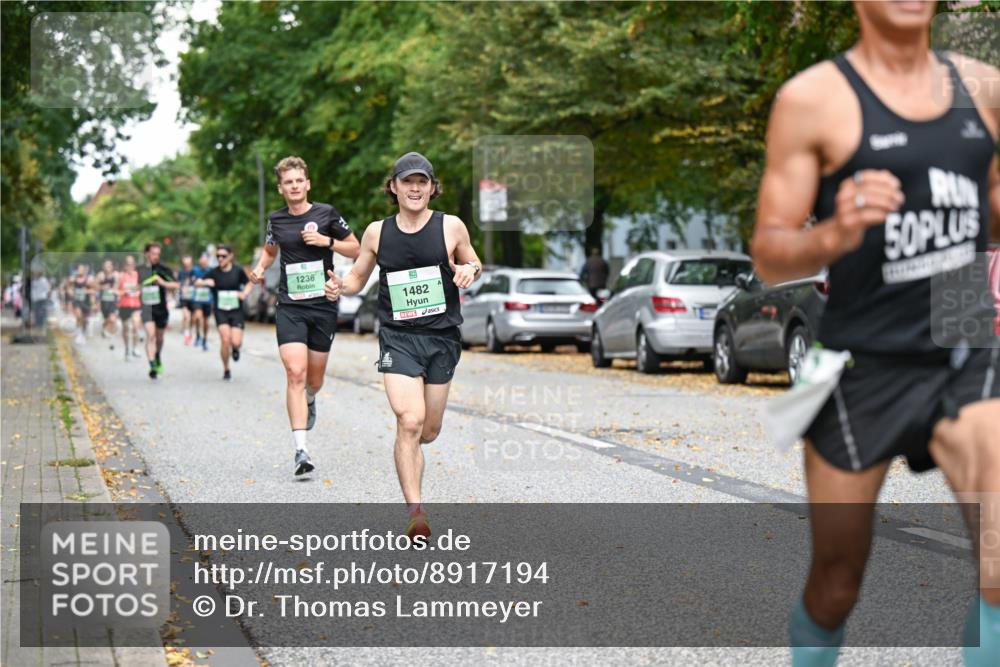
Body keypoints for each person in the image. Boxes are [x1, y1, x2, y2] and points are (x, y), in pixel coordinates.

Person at [750, 2, 999, 665]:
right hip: (863, 358)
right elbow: (770, 252)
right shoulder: (814, 99)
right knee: (837, 582)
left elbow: (994, 204)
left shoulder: (983, 88)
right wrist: (836, 231)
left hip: (962, 336)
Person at [324, 152, 481, 539]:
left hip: (442, 338)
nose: (414, 188)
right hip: (398, 337)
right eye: (407, 181)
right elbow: (358, 277)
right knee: (409, 421)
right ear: (393, 187)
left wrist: (468, 270)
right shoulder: (377, 232)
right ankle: (416, 513)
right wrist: (340, 286)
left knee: (428, 430)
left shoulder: (451, 226)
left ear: (432, 188)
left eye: (421, 182)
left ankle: (412, 453)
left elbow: (474, 263)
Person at [250, 156, 360, 476]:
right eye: (289, 182)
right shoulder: (276, 220)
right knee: (295, 373)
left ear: (307, 184)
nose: (295, 186)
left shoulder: (326, 214)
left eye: (299, 181)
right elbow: (270, 250)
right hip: (291, 306)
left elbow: (356, 248)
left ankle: (310, 398)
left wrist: (327, 241)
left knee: (313, 380)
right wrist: (260, 268)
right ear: (280, 188)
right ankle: (301, 450)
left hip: (323, 305)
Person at [196, 244, 252, 380]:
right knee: (225, 339)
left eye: (223, 256)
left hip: (236, 310)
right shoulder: (214, 272)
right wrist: (205, 282)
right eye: (218, 256)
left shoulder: (238, 270)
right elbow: (197, 282)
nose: (220, 258)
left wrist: (244, 293)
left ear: (230, 256)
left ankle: (236, 348)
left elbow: (249, 283)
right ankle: (226, 369)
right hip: (220, 310)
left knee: (236, 342)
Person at [138, 243, 179, 379]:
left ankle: (157, 355)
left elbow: (176, 284)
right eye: (153, 253)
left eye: (158, 254)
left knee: (159, 338)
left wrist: (163, 283)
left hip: (161, 309)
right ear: (146, 253)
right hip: (146, 309)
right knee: (150, 335)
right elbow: (132, 286)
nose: (156, 256)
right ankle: (152, 365)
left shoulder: (163, 269)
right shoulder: (139, 270)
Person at [117, 255, 142, 361]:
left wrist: (139, 290)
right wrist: (124, 292)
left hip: (136, 305)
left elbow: (142, 287)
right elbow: (115, 290)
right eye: (128, 264)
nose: (130, 266)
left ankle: (135, 348)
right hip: (124, 305)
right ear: (124, 266)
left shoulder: (138, 275)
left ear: (134, 265)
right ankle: (127, 349)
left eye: (132, 264)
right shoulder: (120, 276)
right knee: (126, 328)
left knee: (136, 326)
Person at [95, 259, 119, 349]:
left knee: (112, 319)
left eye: (109, 266)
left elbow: (118, 285)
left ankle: (112, 342)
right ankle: (104, 326)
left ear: (112, 267)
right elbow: (94, 286)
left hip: (113, 301)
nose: (107, 267)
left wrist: (115, 288)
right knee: (107, 319)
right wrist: (102, 287)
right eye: (105, 266)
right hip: (103, 301)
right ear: (103, 267)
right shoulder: (100, 275)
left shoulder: (116, 275)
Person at [191, 253, 213, 351]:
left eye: (206, 260)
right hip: (197, 298)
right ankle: (197, 335)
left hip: (208, 299)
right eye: (202, 259)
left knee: (206, 322)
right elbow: (192, 281)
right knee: (197, 317)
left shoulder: (211, 271)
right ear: (200, 260)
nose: (204, 262)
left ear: (208, 261)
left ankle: (205, 339)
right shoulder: (195, 270)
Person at [70, 264, 94, 344]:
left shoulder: (88, 280)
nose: (79, 271)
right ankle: (78, 333)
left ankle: (83, 334)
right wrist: (71, 292)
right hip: (77, 301)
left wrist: (87, 291)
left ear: (84, 271)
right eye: (78, 269)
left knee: (85, 320)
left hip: (86, 302)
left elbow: (94, 290)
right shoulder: (74, 279)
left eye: (81, 269)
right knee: (78, 315)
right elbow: (69, 288)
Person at [176, 255, 197, 345]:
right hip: (184, 297)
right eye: (185, 263)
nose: (187, 265)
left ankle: (189, 330)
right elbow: (177, 283)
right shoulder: (181, 272)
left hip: (193, 297)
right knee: (186, 316)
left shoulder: (195, 271)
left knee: (193, 318)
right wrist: (182, 285)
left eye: (188, 263)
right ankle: (186, 334)